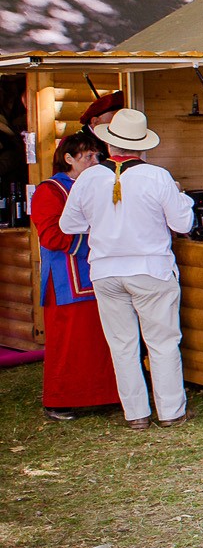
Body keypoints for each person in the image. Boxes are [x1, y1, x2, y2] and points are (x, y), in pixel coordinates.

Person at [58, 109, 194, 430]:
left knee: (122, 345)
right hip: (150, 269)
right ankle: (171, 412)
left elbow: (69, 224)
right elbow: (183, 223)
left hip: (106, 271)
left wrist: (102, 220)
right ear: (142, 146)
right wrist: (182, 198)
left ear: (108, 145)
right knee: (161, 343)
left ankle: (136, 415)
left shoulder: (88, 178)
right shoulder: (157, 176)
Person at [32, 131, 119, 420]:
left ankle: (105, 394)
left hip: (99, 272)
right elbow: (51, 234)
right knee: (69, 342)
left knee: (102, 336)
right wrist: (96, 243)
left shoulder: (102, 184)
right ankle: (60, 399)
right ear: (68, 158)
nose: (95, 161)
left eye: (97, 155)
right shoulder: (50, 191)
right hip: (66, 277)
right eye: (88, 156)